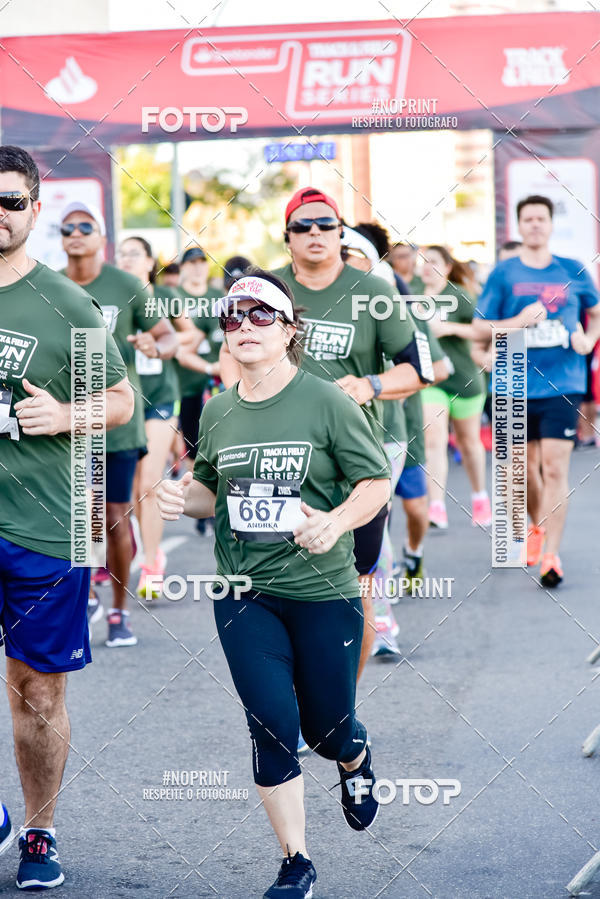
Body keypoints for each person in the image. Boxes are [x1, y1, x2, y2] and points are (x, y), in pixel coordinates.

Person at [157, 269, 390, 898]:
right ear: (225, 333)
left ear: (290, 331)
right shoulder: (218, 410)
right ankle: (296, 860)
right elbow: (213, 492)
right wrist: (184, 498)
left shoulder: (328, 402)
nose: (247, 325)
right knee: (270, 721)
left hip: (323, 593)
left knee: (325, 728)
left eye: (264, 314)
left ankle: (353, 755)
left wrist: (336, 521)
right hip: (242, 592)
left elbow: (375, 482)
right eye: (235, 315)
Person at [219, 187, 433, 676]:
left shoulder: (375, 290)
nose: (314, 233)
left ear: (342, 233)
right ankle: (291, 706)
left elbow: (415, 371)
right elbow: (230, 353)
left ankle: (340, 712)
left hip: (358, 457)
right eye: (302, 226)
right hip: (276, 453)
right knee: (276, 579)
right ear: (286, 236)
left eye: (325, 224)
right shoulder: (264, 289)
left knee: (354, 585)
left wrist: (369, 384)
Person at [0, 145, 133, 888]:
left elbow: (119, 402)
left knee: (38, 690)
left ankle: (41, 830)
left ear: (35, 210)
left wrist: (64, 412)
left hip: (44, 525)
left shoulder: (66, 304)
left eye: (11, 201)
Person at [61, 203, 177, 644]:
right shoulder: (48, 283)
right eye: (67, 227)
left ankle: (119, 611)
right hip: (67, 423)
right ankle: (84, 599)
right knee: (81, 518)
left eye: (84, 226)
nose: (75, 233)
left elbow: (167, 335)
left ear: (101, 236)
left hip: (119, 422)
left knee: (113, 517)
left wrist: (154, 343)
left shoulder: (127, 285)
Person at [474, 194, 600, 586]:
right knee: (523, 470)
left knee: (555, 467)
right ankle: (535, 526)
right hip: (512, 383)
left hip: (563, 383)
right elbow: (480, 328)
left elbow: (595, 313)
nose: (534, 225)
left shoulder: (573, 270)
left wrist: (588, 338)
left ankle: (551, 555)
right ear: (519, 225)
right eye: (527, 219)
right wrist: (518, 322)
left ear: (549, 224)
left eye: (540, 218)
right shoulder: (503, 273)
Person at [116, 236, 197, 599]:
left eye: (135, 254)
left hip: (161, 400)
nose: (127, 260)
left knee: (150, 483)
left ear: (150, 262)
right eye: (121, 254)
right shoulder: (114, 296)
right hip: (123, 402)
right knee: (132, 490)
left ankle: (151, 564)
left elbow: (190, 333)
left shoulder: (164, 297)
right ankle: (141, 542)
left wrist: (167, 349)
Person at [420, 244, 491, 529]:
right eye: (422, 261)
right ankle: (436, 507)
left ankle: (480, 497)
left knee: (469, 443)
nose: (426, 266)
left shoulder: (459, 296)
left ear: (447, 267)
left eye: (433, 261)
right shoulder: (411, 295)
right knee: (433, 439)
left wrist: (449, 328)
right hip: (432, 381)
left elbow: (483, 329)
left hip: (465, 380)